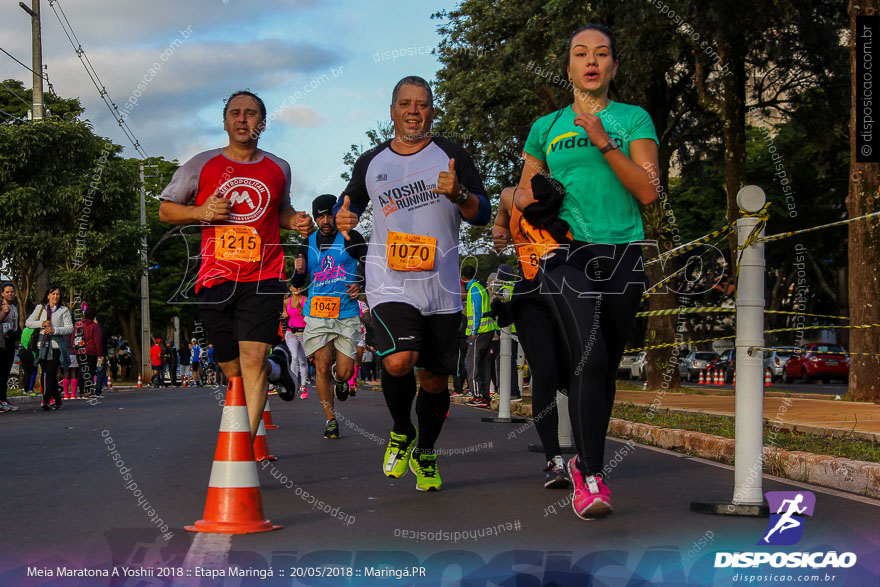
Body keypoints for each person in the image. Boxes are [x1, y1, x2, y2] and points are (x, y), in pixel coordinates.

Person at [515, 24, 659, 518]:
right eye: (581, 54)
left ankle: (584, 460)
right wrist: (534, 203)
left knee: (606, 369)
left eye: (601, 54)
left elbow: (647, 190)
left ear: (613, 67)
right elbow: (519, 196)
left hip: (622, 252)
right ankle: (592, 477)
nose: (591, 61)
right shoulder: (547, 126)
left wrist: (602, 140)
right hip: (565, 252)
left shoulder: (633, 118)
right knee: (590, 357)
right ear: (570, 66)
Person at [333, 75, 490, 491]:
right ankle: (402, 430)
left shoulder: (452, 155)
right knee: (399, 361)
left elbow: (482, 213)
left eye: (421, 104)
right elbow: (347, 203)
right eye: (405, 104)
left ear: (431, 111)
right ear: (392, 111)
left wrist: (459, 194)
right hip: (389, 281)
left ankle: (426, 451)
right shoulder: (371, 161)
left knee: (435, 381)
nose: (413, 111)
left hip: (441, 286)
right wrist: (342, 217)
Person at [158, 89, 306, 438]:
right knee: (231, 368)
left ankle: (242, 449)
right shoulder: (201, 164)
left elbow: (279, 211)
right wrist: (199, 211)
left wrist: (296, 220)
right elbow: (166, 209)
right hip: (215, 278)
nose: (243, 119)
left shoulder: (278, 167)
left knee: (251, 360)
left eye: (251, 113)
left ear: (263, 123)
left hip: (264, 275)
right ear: (225, 122)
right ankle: (278, 367)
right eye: (235, 113)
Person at [493, 190, 570, 488]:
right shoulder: (510, 196)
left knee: (577, 374)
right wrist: (500, 232)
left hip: (570, 293)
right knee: (546, 373)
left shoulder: (568, 191)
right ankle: (554, 460)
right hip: (532, 297)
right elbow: (500, 220)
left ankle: (587, 460)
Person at [291, 194, 367, 439]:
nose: (325, 220)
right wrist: (298, 272)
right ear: (315, 218)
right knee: (322, 367)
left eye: (328, 215)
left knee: (344, 371)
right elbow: (298, 283)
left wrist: (360, 283)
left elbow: (370, 264)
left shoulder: (351, 238)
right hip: (317, 313)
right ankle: (330, 419)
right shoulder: (306, 244)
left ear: (335, 215)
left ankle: (342, 379)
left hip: (346, 312)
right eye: (320, 216)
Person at [26, 285, 74, 410]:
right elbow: (28, 323)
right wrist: (41, 323)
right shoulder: (40, 308)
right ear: (48, 295)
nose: (55, 296)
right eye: (53, 294)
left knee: (51, 372)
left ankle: (46, 399)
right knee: (46, 373)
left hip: (56, 345)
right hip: (42, 344)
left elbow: (69, 328)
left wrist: (54, 329)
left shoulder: (63, 310)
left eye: (57, 294)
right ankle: (57, 398)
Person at [462, 265, 497, 409]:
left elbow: (476, 311)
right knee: (484, 364)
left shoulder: (474, 289)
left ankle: (477, 395)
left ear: (463, 277)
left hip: (480, 331)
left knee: (473, 363)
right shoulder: (481, 287)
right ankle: (485, 396)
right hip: (487, 329)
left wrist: (474, 331)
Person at [282, 282, 310, 399]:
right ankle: (294, 384)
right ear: (290, 288)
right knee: (293, 357)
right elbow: (285, 313)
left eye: (298, 286)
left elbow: (310, 315)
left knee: (303, 360)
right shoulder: (286, 301)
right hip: (291, 332)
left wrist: (300, 308)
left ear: (302, 288)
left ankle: (303, 386)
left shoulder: (306, 300)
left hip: (303, 333)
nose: (296, 288)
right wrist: (284, 314)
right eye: (294, 287)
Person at [74, 305, 104, 398]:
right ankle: (88, 390)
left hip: (80, 351)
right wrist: (100, 353)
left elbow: (73, 338)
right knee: (89, 372)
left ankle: (81, 391)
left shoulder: (78, 325)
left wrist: (76, 350)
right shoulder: (94, 326)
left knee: (81, 370)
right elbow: (97, 341)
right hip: (91, 351)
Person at [0, 282, 21, 411]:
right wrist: (3, 312)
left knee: (6, 372)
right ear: (2, 293)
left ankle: (4, 398)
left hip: (10, 341)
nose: (10, 294)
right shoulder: (2, 306)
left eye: (12, 291)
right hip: (1, 342)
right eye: (7, 292)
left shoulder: (14, 306)